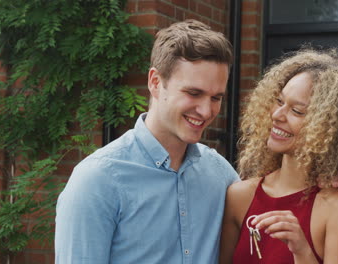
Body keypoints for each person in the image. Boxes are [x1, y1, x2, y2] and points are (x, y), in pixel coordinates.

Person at [55, 19, 238, 263]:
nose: (206, 111)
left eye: (216, 97)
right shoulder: (98, 180)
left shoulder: (220, 174)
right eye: (193, 93)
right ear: (155, 82)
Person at [219, 48, 338, 264]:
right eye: (280, 102)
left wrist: (302, 251)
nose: (277, 115)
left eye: (297, 111)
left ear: (330, 128)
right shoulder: (239, 195)